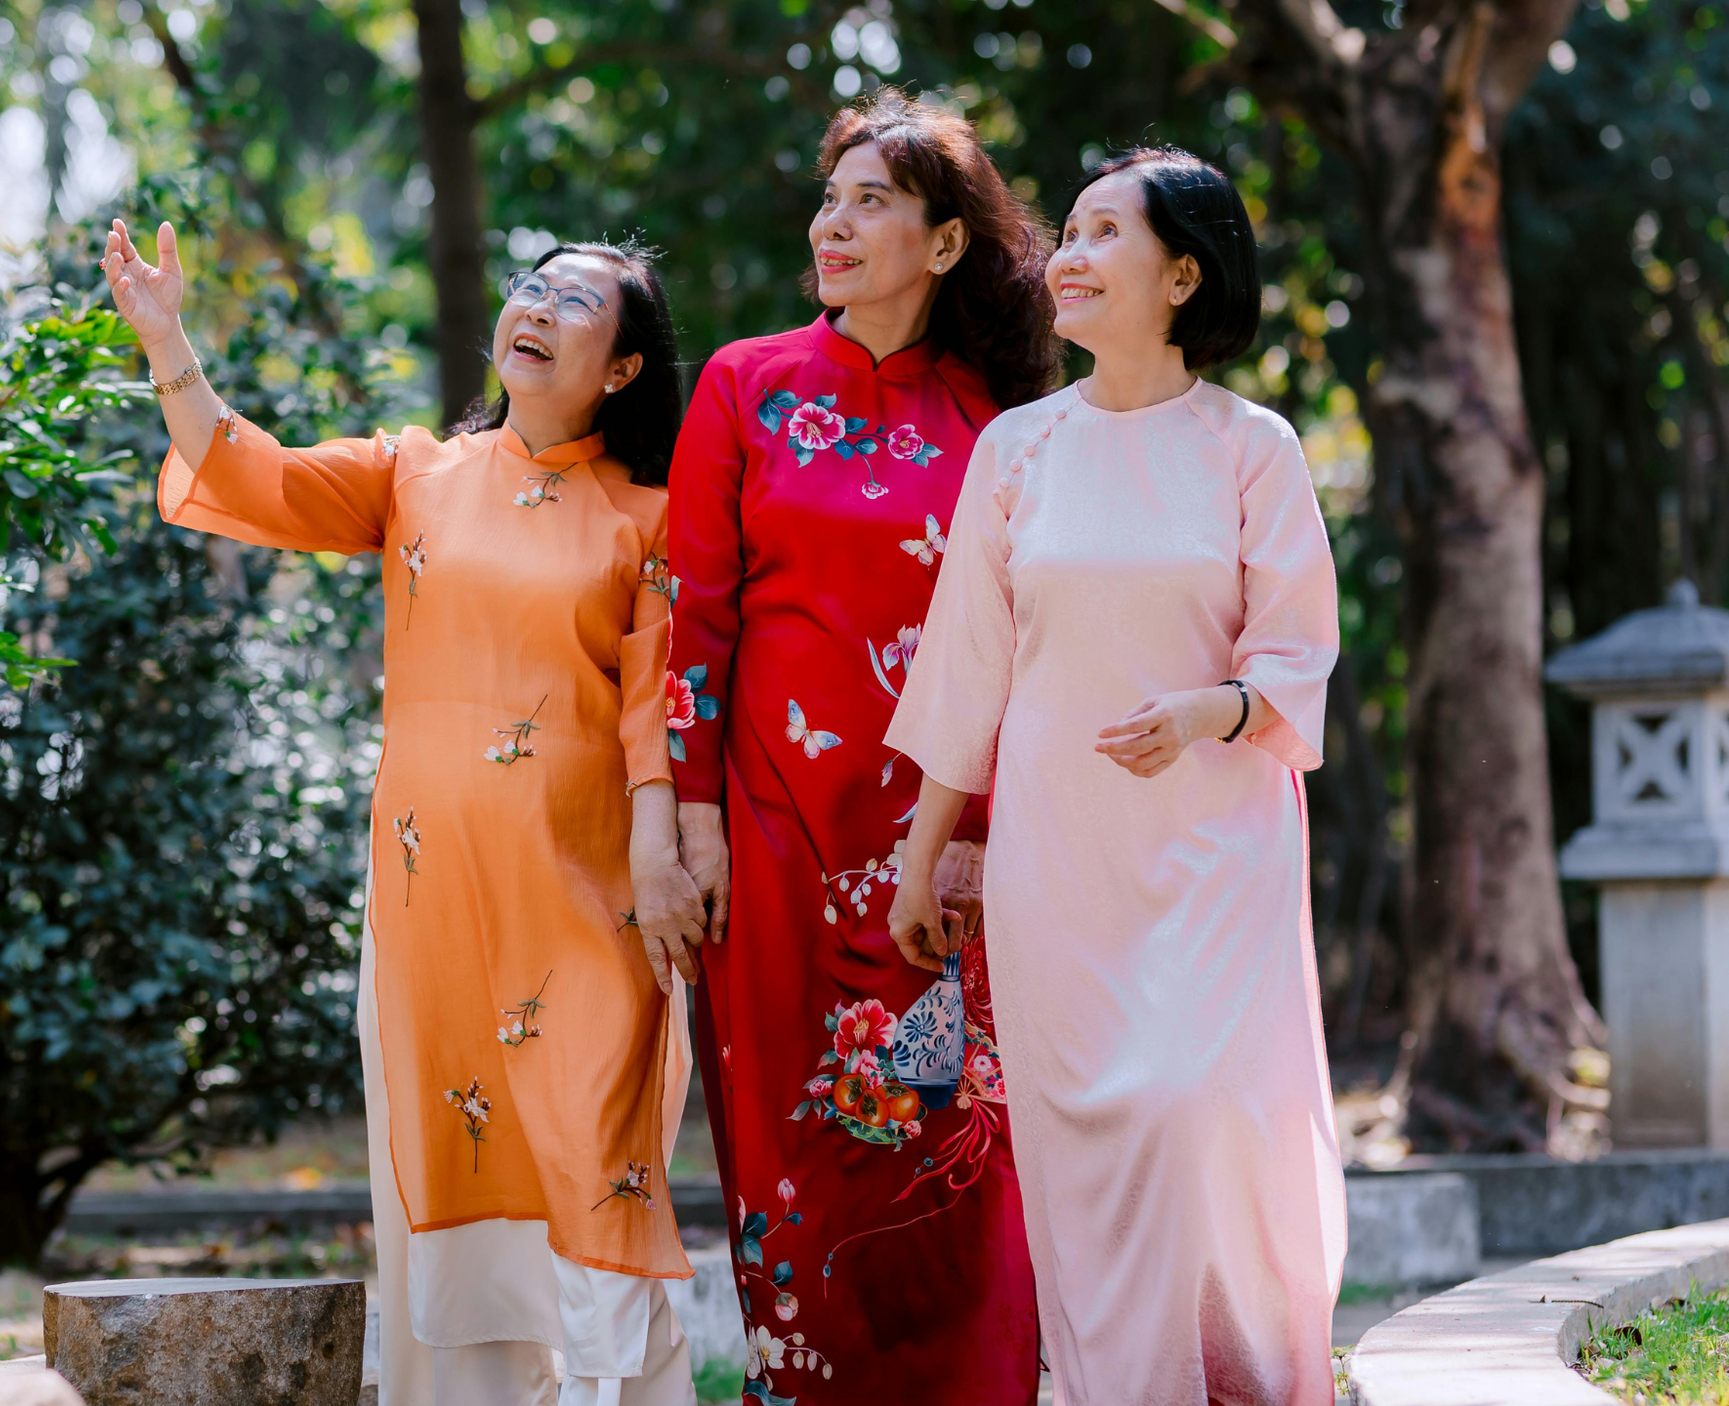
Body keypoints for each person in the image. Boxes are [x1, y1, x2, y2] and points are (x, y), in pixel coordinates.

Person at [102, 219, 704, 1406]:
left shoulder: (651, 516)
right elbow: (243, 470)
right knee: (446, 1153)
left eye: (573, 301)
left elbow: (656, 712)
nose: (533, 306)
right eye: (529, 284)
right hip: (429, 907)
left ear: (624, 367)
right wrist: (166, 338)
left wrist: (659, 861)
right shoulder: (414, 471)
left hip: (590, 901)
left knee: (592, 1151)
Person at [884, 148, 1346, 1405]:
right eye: (1066, 233)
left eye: (1100, 234)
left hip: (1216, 845)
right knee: (1085, 1140)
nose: (1064, 256)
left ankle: (1249, 1378)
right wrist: (922, 857)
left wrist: (1211, 708)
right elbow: (965, 671)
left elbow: (1299, 654)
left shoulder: (1251, 447)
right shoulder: (1018, 451)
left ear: (1181, 274)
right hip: (1060, 853)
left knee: (1190, 1112)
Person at [666, 91, 1054, 1405]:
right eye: (830, 199)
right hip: (772, 847)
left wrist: (981, 833)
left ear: (944, 243)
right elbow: (699, 612)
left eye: (872, 200)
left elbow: (1021, 639)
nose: (835, 223)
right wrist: (693, 815)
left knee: (943, 1136)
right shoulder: (745, 384)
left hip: (932, 860)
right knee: (790, 1153)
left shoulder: (999, 418)